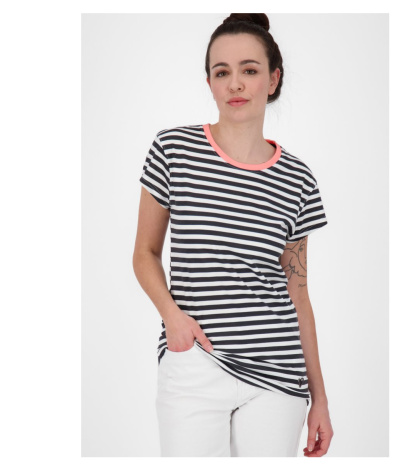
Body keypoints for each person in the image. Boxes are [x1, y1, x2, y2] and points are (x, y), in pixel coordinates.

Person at [133, 13, 334, 457]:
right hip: (195, 361)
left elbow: (298, 292)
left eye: (250, 70)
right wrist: (173, 318)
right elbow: (144, 253)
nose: (235, 84)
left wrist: (319, 397)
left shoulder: (298, 179)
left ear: (273, 79)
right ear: (209, 83)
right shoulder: (173, 150)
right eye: (221, 72)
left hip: (278, 376)